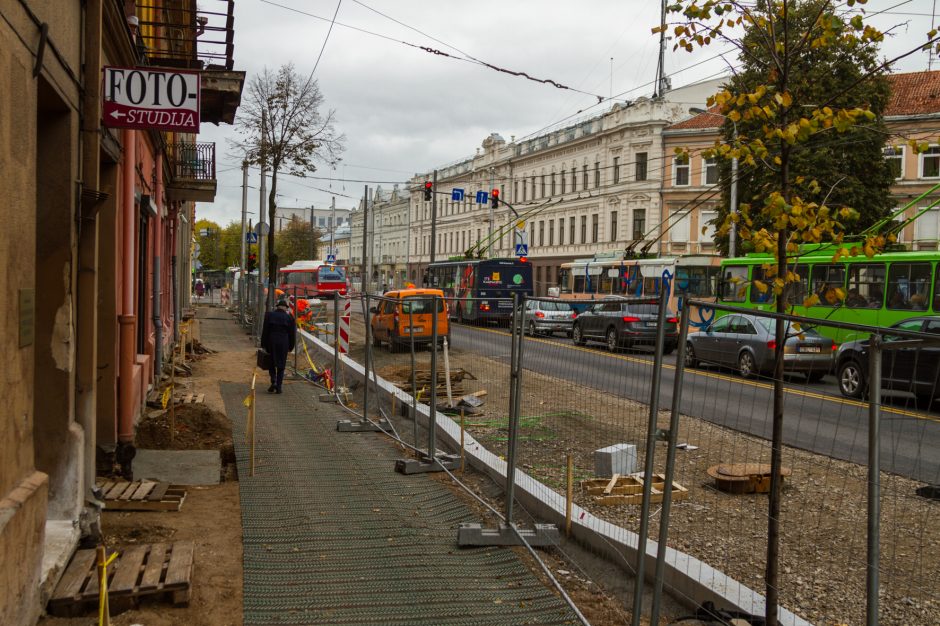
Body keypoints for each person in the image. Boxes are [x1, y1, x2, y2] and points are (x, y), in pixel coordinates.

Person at [261, 298, 296, 394]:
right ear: (285, 308)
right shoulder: (289, 318)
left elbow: (265, 330)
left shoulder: (269, 315)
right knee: (281, 364)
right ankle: (279, 386)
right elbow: (292, 334)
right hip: (284, 341)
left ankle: (273, 380)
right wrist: (291, 346)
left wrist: (263, 344)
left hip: (271, 340)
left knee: (271, 362)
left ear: (277, 307)